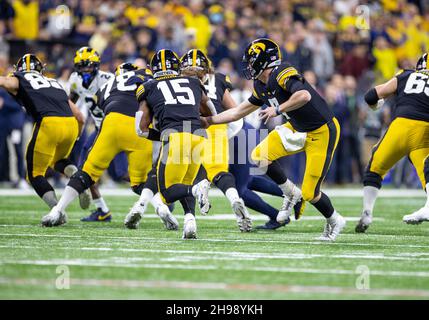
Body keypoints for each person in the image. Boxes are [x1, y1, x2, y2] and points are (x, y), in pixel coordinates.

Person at [201, 38, 346, 241]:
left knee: (311, 193)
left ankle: (334, 220)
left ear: (262, 60)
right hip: (296, 127)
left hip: (321, 131)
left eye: (252, 61)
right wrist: (209, 120)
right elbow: (237, 112)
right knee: (259, 156)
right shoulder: (260, 84)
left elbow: (304, 95)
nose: (249, 66)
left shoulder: (282, 72)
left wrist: (277, 109)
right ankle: (290, 193)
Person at [42, 63, 172, 228]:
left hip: (112, 123)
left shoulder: (106, 85)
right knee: (141, 182)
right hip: (138, 126)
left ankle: (57, 211)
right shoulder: (145, 76)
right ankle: (161, 208)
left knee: (86, 173)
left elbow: (102, 104)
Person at [135, 49, 215, 239]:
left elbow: (141, 128)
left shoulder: (148, 86)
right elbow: (210, 112)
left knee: (167, 192)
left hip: (174, 136)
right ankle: (190, 222)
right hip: (198, 135)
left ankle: (196, 189)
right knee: (185, 181)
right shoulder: (194, 82)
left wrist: (161, 132)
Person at [0, 54, 84, 220]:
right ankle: (77, 176)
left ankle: (57, 210)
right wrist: (77, 135)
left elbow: (4, 82)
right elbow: (80, 116)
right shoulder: (54, 82)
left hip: (49, 123)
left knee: (35, 174)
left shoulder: (20, 78)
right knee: (58, 160)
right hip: (71, 125)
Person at [179, 49, 252, 232]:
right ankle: (234, 198)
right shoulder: (218, 78)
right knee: (218, 170)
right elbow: (234, 110)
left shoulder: (177, 81)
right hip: (216, 124)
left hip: (190, 126)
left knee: (184, 172)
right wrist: (226, 131)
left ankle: (197, 194)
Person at [356, 52, 429, 232]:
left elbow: (371, 96)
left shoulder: (406, 75)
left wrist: (376, 106)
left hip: (401, 126)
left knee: (374, 169)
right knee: (427, 172)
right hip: (424, 132)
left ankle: (367, 212)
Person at [68, 46, 125, 221]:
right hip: (100, 129)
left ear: (97, 65)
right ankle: (102, 209)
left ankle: (159, 194)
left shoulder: (108, 79)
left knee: (121, 174)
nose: (86, 69)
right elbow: (71, 101)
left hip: (115, 128)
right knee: (84, 169)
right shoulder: (75, 80)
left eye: (89, 65)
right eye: (82, 66)